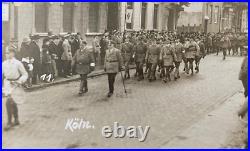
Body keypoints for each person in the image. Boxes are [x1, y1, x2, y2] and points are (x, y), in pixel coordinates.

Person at [2, 47, 28, 131]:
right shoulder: (4, 63)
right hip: (7, 85)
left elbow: (25, 74)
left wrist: (20, 81)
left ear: (13, 53)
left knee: (9, 102)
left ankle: (10, 122)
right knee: (12, 102)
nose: (6, 54)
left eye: (8, 52)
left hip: (16, 85)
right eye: (5, 53)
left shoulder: (18, 63)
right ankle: (16, 120)